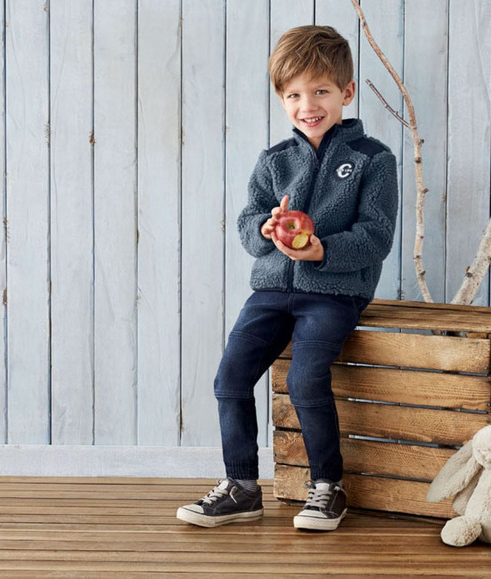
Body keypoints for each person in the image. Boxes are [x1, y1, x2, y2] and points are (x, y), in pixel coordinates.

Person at [176, 25, 398, 532]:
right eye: (294, 95)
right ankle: (242, 487)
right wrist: (265, 228)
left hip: (335, 293)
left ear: (346, 92)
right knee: (230, 379)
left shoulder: (373, 159)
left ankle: (328, 487)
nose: (308, 105)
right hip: (272, 290)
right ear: (281, 99)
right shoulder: (274, 160)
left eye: (320, 91)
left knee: (303, 379)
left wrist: (322, 250)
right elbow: (247, 222)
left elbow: (377, 235)